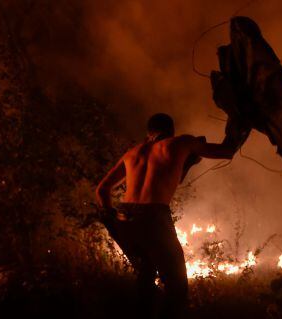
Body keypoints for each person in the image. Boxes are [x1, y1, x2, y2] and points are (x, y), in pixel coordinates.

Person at [96, 113, 236, 318]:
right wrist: (240, 124)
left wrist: (114, 218)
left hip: (126, 217)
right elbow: (226, 151)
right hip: (154, 217)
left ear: (149, 133)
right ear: (171, 131)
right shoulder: (181, 142)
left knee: (145, 276)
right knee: (177, 286)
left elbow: (101, 190)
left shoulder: (132, 153)